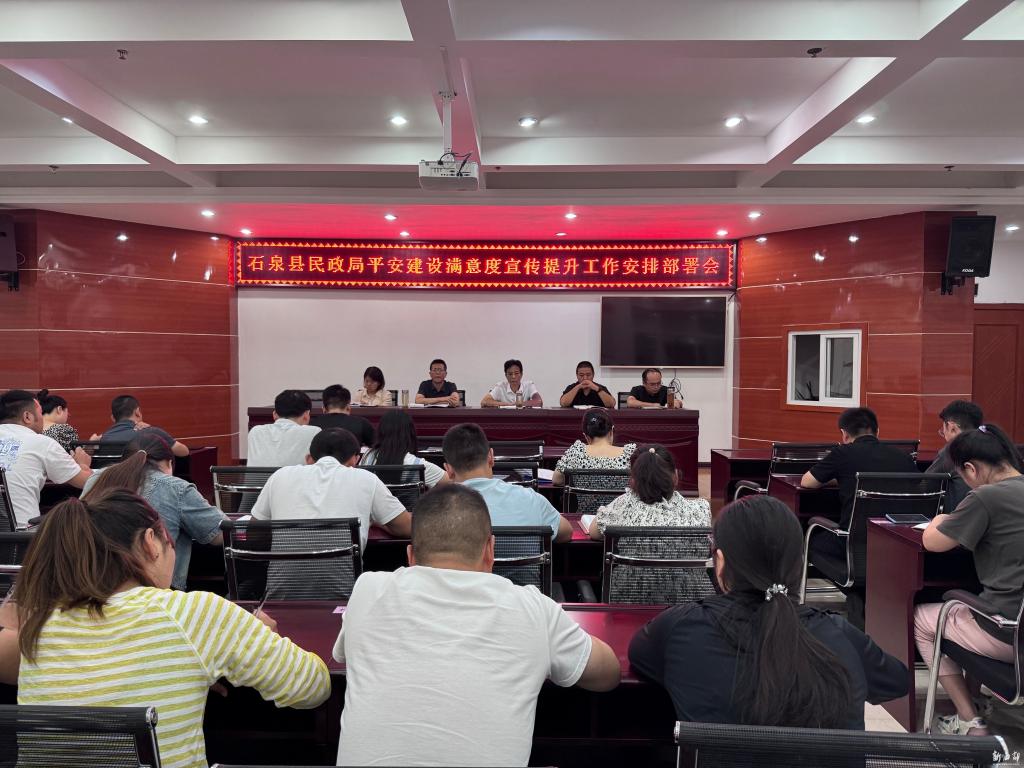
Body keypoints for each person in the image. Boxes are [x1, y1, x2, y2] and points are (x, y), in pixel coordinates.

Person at [15, 488, 331, 768]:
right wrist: (259, 634)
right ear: (151, 542)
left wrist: (189, 667)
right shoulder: (191, 614)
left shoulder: (42, 620)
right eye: (171, 542)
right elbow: (311, 688)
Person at [334, 483, 621, 766]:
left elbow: (344, 656)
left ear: (410, 556)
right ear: (490, 551)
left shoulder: (367, 590)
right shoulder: (533, 607)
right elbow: (608, 673)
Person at [628, 494, 907, 729]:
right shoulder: (840, 634)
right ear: (799, 564)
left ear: (720, 564)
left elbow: (640, 658)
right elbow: (897, 682)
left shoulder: (681, 628)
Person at [915, 424, 1024, 735]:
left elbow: (932, 542)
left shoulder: (986, 497)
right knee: (971, 605)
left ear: (971, 469)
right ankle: (978, 699)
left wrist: (940, 519)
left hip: (1010, 633)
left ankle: (970, 720)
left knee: (923, 619)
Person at [800, 406, 919, 627]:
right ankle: (863, 596)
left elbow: (807, 482)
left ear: (844, 434)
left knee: (809, 537)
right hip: (898, 550)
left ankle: (852, 591)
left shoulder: (842, 454)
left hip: (853, 548)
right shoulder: (903, 458)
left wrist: (841, 477)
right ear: (877, 431)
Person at [82, 432, 225, 591]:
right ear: (169, 463)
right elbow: (220, 532)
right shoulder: (175, 487)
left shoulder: (95, 479)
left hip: (91, 584)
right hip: (155, 590)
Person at [253, 427, 412, 551]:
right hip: (347, 584)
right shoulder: (366, 479)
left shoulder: (280, 475)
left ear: (309, 459)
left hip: (281, 583)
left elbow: (254, 533)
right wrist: (375, 521)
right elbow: (408, 528)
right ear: (355, 460)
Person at [442, 423, 572, 543]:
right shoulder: (531, 499)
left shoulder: (436, 511)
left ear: (449, 470)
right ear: (491, 457)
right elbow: (566, 532)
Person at [0, 389, 91, 527]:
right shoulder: (41, 443)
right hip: (23, 535)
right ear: (27, 417)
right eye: (40, 412)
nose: (43, 418)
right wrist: (83, 464)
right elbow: (86, 482)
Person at [589, 444, 709, 539]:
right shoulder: (700, 510)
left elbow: (594, 532)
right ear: (676, 476)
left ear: (633, 480)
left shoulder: (620, 507)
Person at [360, 409, 446, 488]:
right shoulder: (415, 464)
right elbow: (451, 480)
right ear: (410, 433)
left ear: (380, 432)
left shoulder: (368, 457)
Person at [553, 408, 637, 486]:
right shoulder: (630, 453)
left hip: (584, 498)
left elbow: (557, 480)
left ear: (586, 436)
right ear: (611, 431)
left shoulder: (576, 451)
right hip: (621, 498)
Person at [928, 399, 984, 513]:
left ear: (952, 427)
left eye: (943, 430)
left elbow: (925, 485)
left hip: (959, 518)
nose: (943, 434)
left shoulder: (953, 450)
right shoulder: (991, 446)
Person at [94, 394, 189, 457]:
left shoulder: (101, 439)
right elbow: (184, 451)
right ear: (137, 412)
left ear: (113, 418)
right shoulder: (151, 432)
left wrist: (93, 443)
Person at [247, 389, 321, 466]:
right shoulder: (314, 432)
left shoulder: (255, 432)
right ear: (306, 415)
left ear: (275, 414)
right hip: (294, 475)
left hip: (257, 475)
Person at [310, 384, 374, 446]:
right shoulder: (362, 423)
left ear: (323, 408)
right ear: (348, 407)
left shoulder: (312, 425)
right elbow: (375, 447)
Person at [37, 389, 80, 453]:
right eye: (67, 412)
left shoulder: (32, 430)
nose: (68, 415)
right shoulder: (63, 430)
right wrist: (90, 445)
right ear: (59, 409)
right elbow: (78, 454)